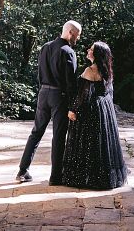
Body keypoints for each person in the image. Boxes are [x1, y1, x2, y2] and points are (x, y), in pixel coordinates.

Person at [16, 20, 82, 184]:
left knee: (36, 132)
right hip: (59, 96)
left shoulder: (45, 47)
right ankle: (55, 177)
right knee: (59, 136)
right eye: (78, 35)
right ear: (71, 33)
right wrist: (73, 105)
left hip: (43, 93)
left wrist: (44, 90)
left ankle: (22, 171)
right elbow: (71, 82)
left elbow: (39, 73)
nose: (78, 39)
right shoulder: (68, 51)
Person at [62, 40, 127, 190]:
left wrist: (73, 110)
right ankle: (102, 177)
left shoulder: (90, 70)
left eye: (91, 49)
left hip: (92, 109)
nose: (88, 51)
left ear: (97, 54)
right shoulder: (107, 70)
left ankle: (87, 177)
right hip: (104, 108)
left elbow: (83, 95)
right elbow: (107, 92)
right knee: (102, 142)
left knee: (89, 142)